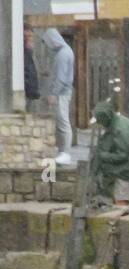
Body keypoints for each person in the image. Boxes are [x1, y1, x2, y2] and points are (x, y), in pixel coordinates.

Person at [89, 100, 129, 206]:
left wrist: (103, 155)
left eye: (99, 120)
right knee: (128, 201)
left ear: (106, 117)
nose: (98, 123)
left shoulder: (119, 129)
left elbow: (122, 155)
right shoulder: (122, 120)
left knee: (122, 200)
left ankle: (123, 214)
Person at [42, 28, 74, 166]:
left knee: (63, 122)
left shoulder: (62, 54)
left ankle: (65, 152)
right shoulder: (66, 52)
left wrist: (53, 94)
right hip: (63, 92)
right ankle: (63, 151)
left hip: (61, 94)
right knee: (62, 122)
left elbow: (61, 78)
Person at [23, 28, 40, 112]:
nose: (30, 40)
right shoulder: (23, 54)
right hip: (26, 90)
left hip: (30, 91)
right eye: (27, 37)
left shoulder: (29, 54)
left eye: (31, 37)